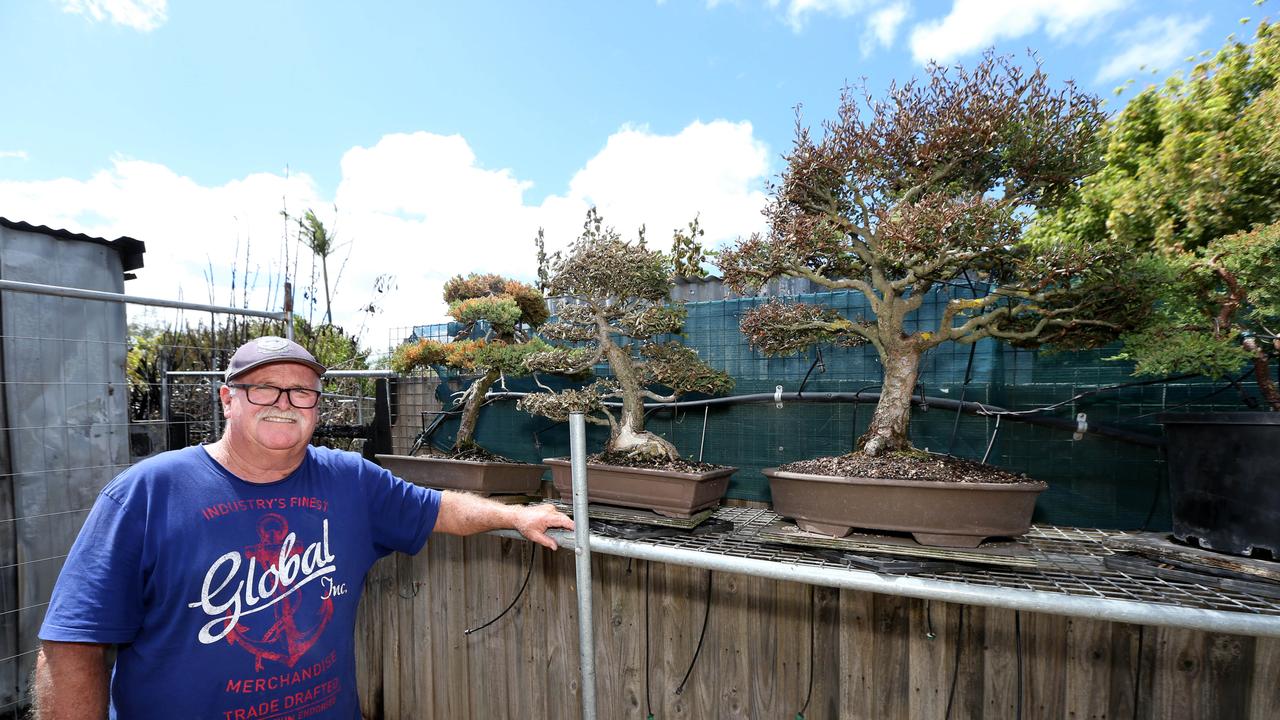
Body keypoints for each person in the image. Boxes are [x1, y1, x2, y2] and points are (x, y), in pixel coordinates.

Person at [32, 335, 573, 719]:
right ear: (228, 400)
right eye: (264, 388)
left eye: (302, 392)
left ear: (317, 406)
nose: (285, 404)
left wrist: (515, 514)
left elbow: (439, 509)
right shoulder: (145, 494)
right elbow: (73, 644)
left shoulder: (351, 481)